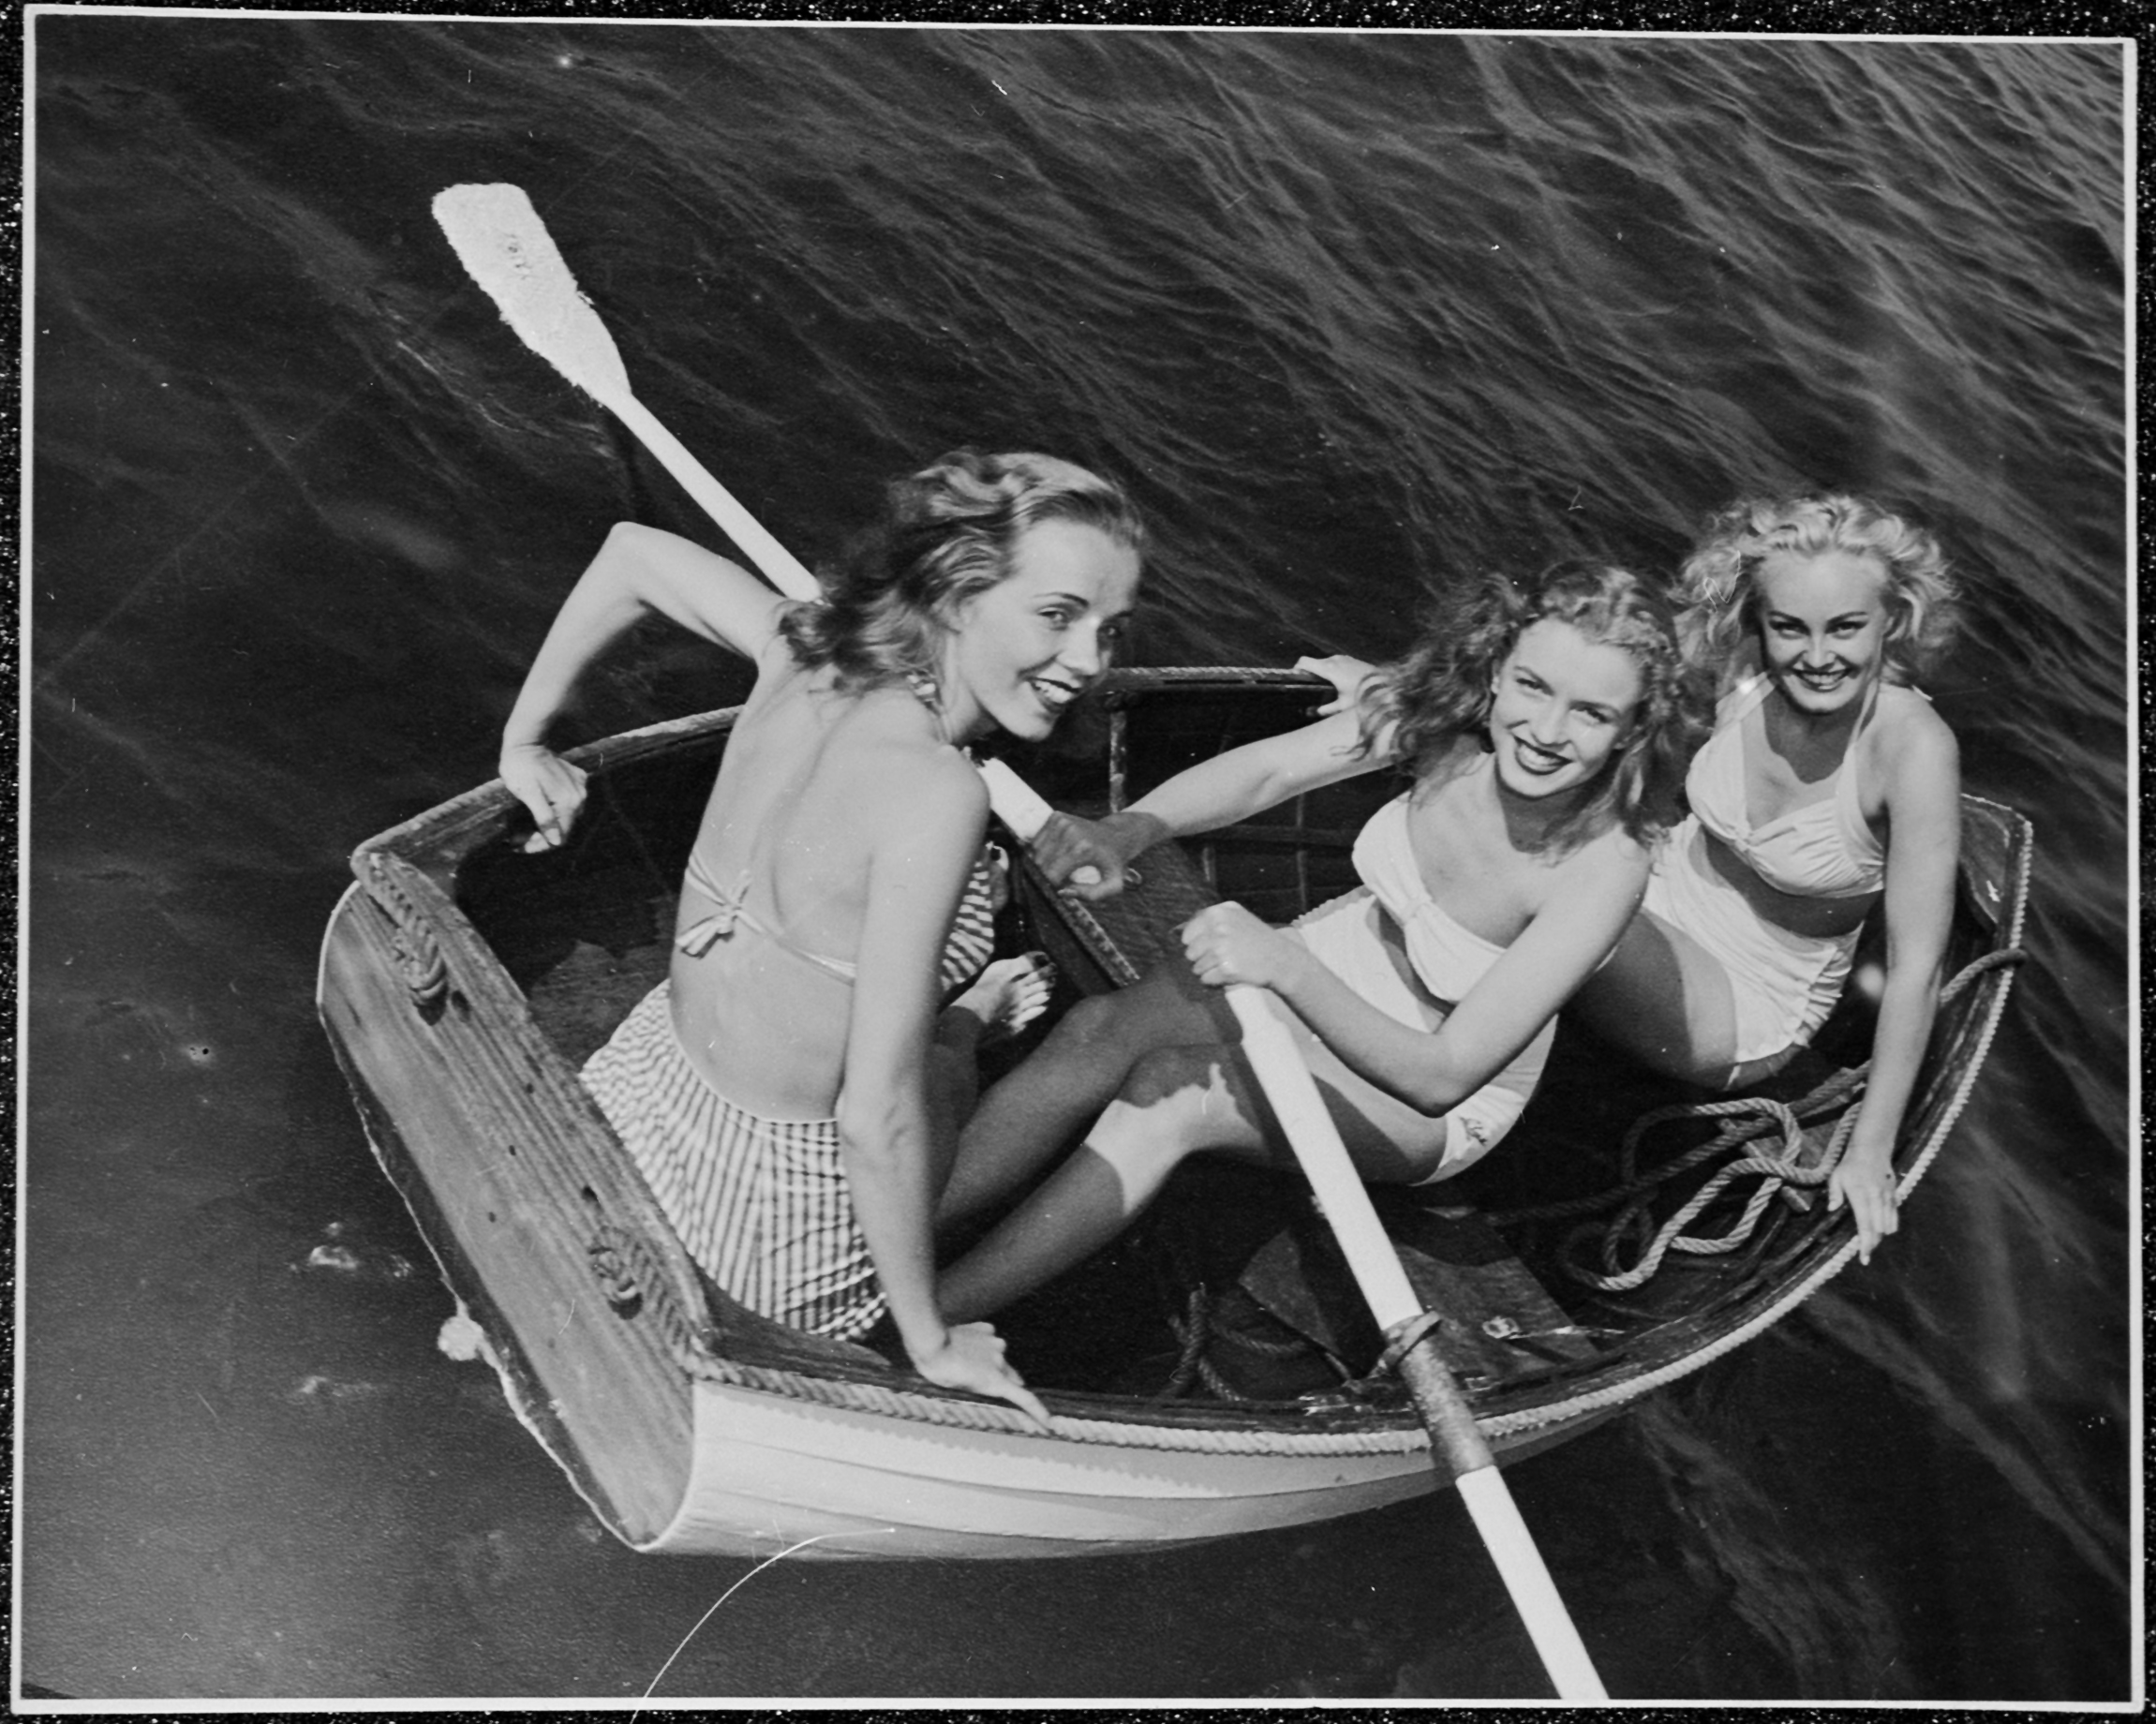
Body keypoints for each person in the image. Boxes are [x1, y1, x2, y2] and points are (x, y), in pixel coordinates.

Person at [498, 448, 1146, 1424]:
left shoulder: (802, 649)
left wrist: (525, 740)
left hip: (632, 1097)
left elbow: (632, 554)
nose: (1092, 662)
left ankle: (970, 1011)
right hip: (762, 1234)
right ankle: (971, 1025)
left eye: (1110, 628)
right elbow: (873, 1116)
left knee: (924, 1025)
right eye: (1058, 615)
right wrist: (930, 1340)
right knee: (961, 1073)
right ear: (956, 591)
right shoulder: (938, 792)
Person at [931, 559, 1704, 1322]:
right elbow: (1270, 773)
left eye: (1591, 714)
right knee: (1094, 1030)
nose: (1546, 732)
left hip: (1428, 1096)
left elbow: (1441, 1076)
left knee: (1172, 1094)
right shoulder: (1447, 724)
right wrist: (1128, 830)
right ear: (1498, 670)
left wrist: (1284, 968)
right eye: (1533, 686)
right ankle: (891, 1243)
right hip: (1329, 964)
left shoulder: (1606, 868)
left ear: (1633, 730)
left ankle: (923, 1321)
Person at [1569, 494, 1962, 1264]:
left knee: (1546, 884)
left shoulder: (1912, 750)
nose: (1816, 656)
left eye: (1845, 627)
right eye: (1789, 627)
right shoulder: (1748, 672)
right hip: (1648, 892)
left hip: (1746, 994)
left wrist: (1868, 1151)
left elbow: (1916, 967)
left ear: (1892, 620)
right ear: (1757, 622)